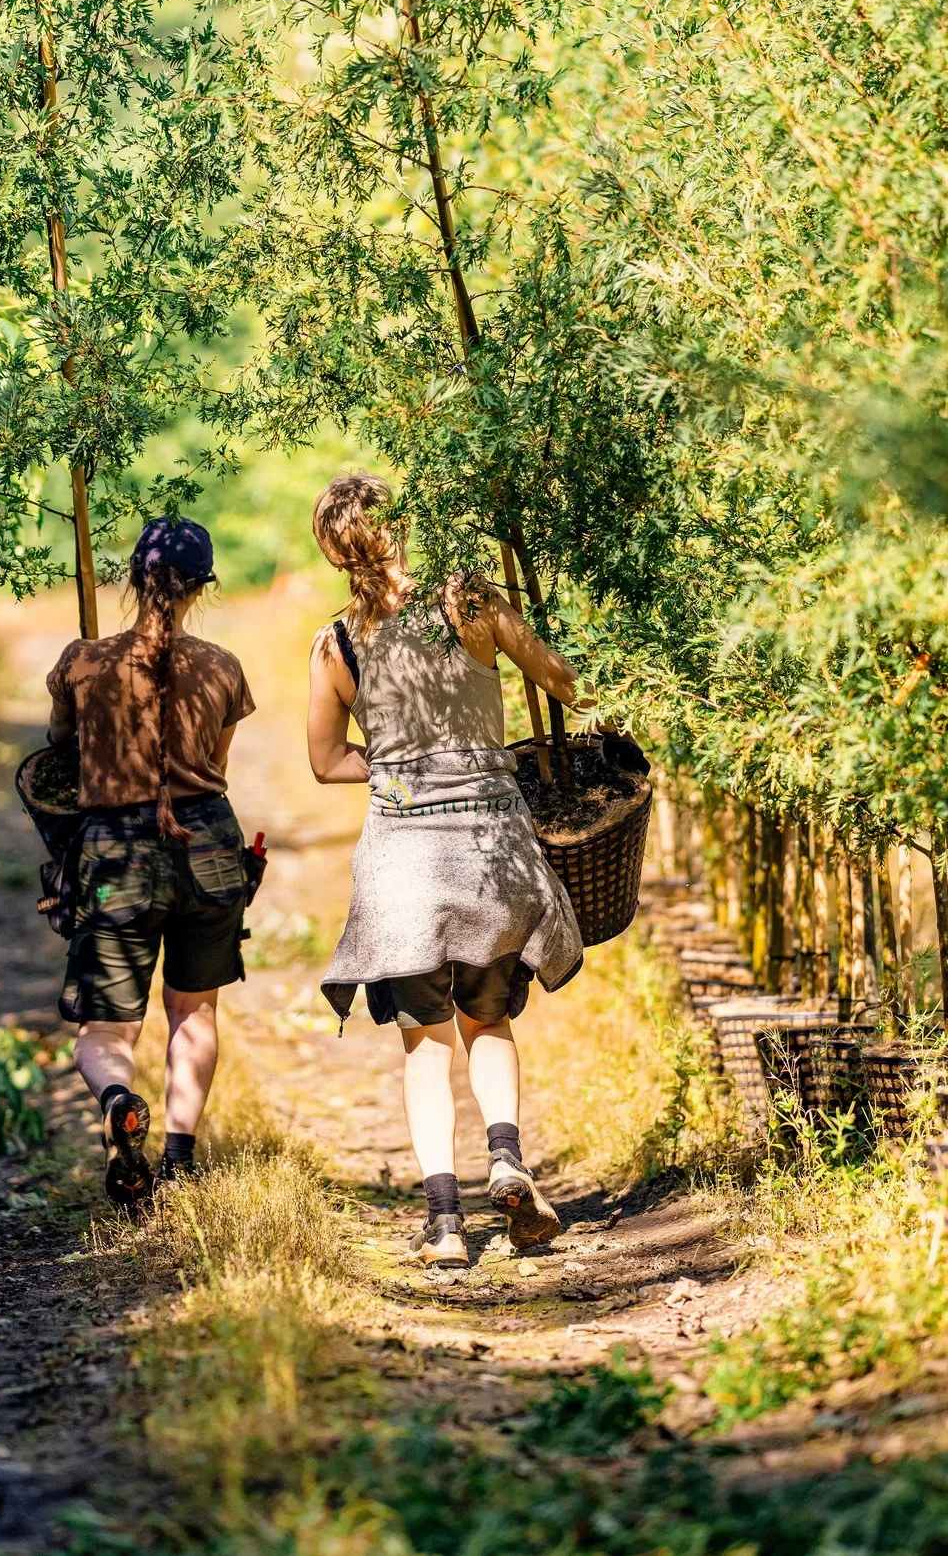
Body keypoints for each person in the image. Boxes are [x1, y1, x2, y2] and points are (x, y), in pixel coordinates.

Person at [306, 474, 584, 1267]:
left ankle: (443, 1225)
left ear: (334, 552)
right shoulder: (468, 598)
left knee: (424, 1041)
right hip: (491, 856)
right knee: (487, 1020)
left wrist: (398, 768)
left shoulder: (337, 642)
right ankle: (505, 1157)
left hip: (403, 868)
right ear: (399, 526)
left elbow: (325, 760)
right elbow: (559, 678)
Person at [46, 516, 256, 1206]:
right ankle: (180, 1162)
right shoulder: (223, 666)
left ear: (134, 577)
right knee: (194, 1012)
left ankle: (116, 1099)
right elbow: (216, 767)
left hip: (117, 853)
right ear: (204, 586)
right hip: (212, 851)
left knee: (105, 1028)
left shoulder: (82, 661)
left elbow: (60, 754)